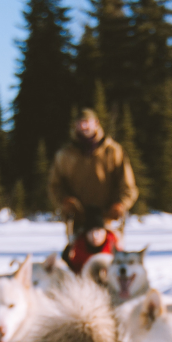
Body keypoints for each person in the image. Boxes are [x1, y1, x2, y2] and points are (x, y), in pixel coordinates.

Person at [48, 109, 137, 273]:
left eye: (87, 122)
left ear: (96, 124)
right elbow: (55, 185)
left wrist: (121, 205)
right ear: (75, 126)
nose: (84, 126)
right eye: (80, 123)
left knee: (113, 266)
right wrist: (64, 201)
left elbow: (128, 186)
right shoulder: (65, 155)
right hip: (79, 220)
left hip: (108, 220)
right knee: (77, 265)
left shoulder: (113, 151)